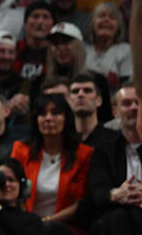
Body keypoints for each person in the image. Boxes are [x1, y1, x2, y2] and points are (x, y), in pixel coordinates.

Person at [9, 94, 93, 229]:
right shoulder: (21, 150)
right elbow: (12, 192)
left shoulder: (84, 154)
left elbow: (80, 203)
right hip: (25, 227)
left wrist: (46, 222)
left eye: (55, 113)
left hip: (64, 228)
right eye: (42, 114)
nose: (48, 118)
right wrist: (30, 224)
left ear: (66, 118)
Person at [88, 86, 142, 234]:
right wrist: (117, 194)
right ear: (115, 112)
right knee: (120, 216)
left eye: (138, 102)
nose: (134, 108)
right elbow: (98, 192)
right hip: (115, 219)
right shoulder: (105, 148)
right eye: (126, 103)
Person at [67, 72, 118, 149]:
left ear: (99, 100)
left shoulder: (115, 139)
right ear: (69, 102)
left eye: (87, 90)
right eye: (75, 91)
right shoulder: (63, 141)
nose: (80, 94)